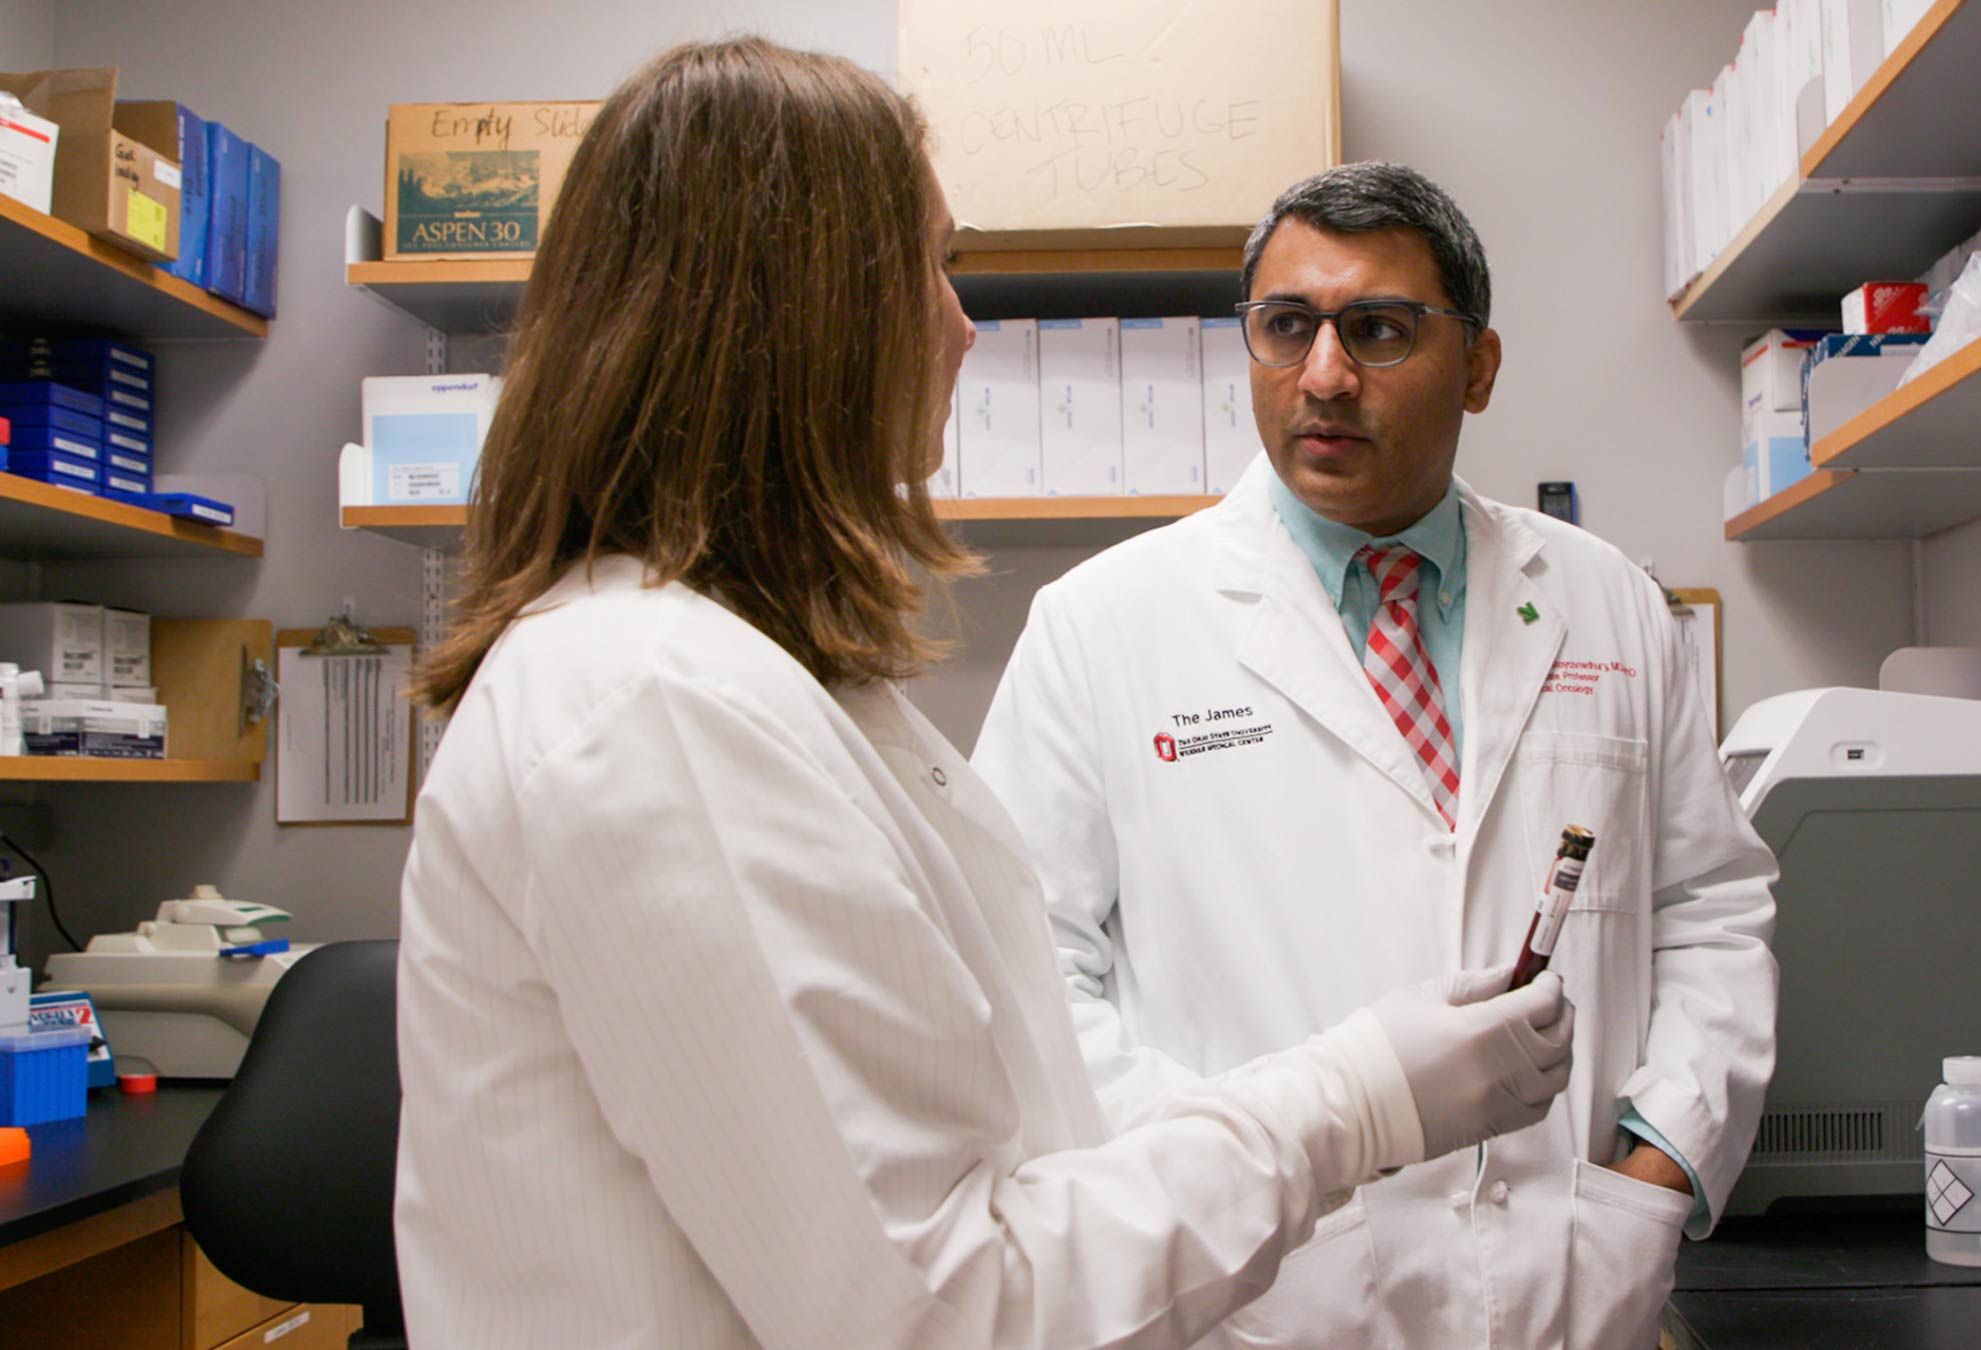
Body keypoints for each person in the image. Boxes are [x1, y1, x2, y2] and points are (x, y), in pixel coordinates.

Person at [394, 44, 1576, 1350]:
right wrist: (1354, 1102)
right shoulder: (651, 707)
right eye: (934, 266)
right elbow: (944, 1308)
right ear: (804, 316)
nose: (965, 323)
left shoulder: (750, 680)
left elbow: (1000, 1132)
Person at [973, 161, 1780, 1350]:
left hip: (1570, 1286)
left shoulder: (1606, 601)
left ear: (1480, 366)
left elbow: (1708, 905)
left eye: (1380, 330)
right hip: (1261, 1292)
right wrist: (1225, 1179)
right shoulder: (1104, 623)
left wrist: (1660, 1167)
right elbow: (1023, 975)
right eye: (1286, 326)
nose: (1325, 376)